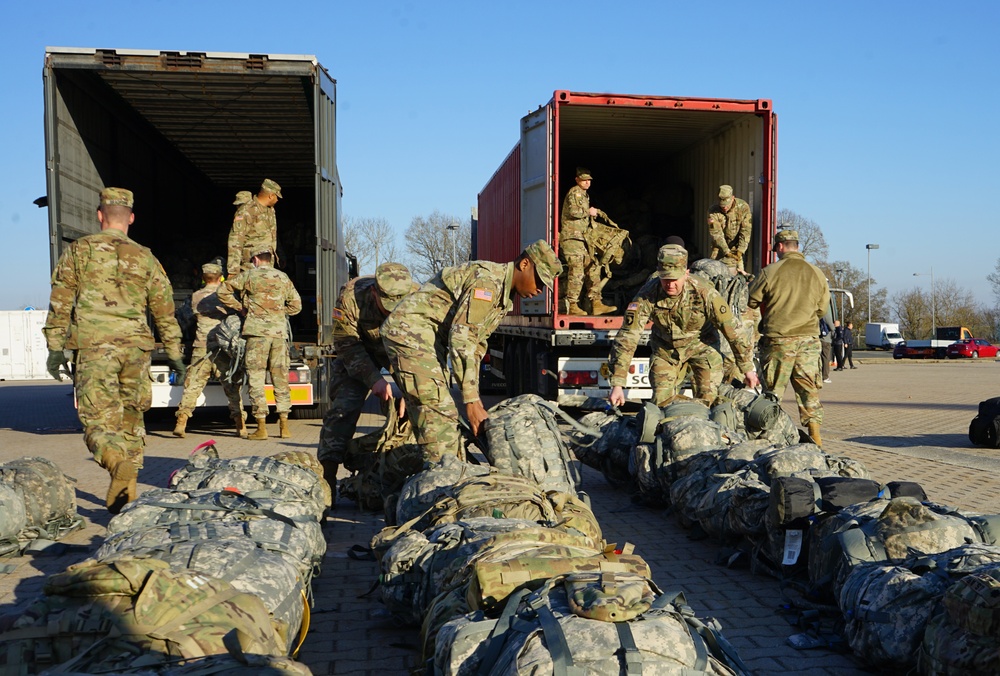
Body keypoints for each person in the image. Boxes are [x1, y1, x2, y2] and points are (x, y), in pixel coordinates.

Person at [42, 187, 185, 513]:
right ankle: (127, 496)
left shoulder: (80, 251)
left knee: (97, 422)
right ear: (131, 218)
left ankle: (115, 462)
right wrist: (175, 351)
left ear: (99, 215)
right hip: (135, 349)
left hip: (94, 347)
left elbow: (61, 300)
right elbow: (164, 309)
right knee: (132, 422)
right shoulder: (146, 256)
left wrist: (55, 347)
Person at [382, 240, 563, 463]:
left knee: (434, 415)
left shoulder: (503, 296)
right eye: (540, 281)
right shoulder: (488, 283)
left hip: (427, 340)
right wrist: (471, 401)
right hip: (410, 333)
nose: (539, 290)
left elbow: (476, 346)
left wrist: (474, 396)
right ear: (524, 264)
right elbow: (461, 339)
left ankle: (433, 470)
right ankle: (442, 481)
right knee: (441, 415)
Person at [608, 244, 760, 408]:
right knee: (661, 403)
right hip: (666, 350)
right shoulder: (647, 295)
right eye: (665, 279)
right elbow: (627, 338)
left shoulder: (704, 292)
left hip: (702, 346)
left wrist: (747, 369)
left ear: (686, 273)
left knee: (709, 402)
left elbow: (732, 330)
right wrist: (618, 385)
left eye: (675, 279)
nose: (670, 285)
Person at [316, 262, 419, 488]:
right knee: (343, 409)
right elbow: (346, 345)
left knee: (420, 405)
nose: (393, 310)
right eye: (388, 304)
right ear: (374, 291)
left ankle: (413, 472)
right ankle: (327, 479)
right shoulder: (350, 298)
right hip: (359, 350)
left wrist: (408, 391)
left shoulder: (418, 297)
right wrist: (375, 380)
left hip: (399, 352)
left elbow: (420, 350)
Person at [748, 229, 831, 447]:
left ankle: (768, 440)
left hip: (778, 341)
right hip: (809, 341)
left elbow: (752, 300)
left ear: (781, 247)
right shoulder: (817, 273)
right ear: (798, 246)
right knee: (809, 392)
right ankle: (817, 441)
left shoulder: (770, 272)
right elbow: (822, 309)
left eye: (776, 249)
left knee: (772, 393)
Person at [218, 248, 302, 440]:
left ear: (255, 259)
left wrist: (241, 308)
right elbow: (297, 305)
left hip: (256, 334)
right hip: (279, 334)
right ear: (270, 260)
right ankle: (284, 426)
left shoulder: (248, 275)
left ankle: (261, 427)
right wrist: (279, 314)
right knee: (280, 376)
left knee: (256, 378)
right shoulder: (283, 277)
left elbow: (222, 291)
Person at [173, 260, 247, 439]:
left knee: (192, 386)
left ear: (203, 277)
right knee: (231, 387)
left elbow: (186, 318)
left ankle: (181, 423)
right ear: (220, 276)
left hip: (201, 346)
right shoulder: (227, 296)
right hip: (223, 347)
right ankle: (240, 425)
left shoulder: (196, 296)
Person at [559, 167, 618, 316]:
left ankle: (596, 303)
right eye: (584, 180)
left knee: (593, 267)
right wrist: (589, 212)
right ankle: (572, 305)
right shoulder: (575, 192)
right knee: (577, 270)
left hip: (582, 239)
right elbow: (573, 212)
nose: (587, 182)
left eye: (588, 180)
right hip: (572, 239)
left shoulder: (584, 195)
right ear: (577, 179)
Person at [227, 179, 281, 276]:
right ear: (271, 195)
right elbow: (235, 241)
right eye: (277, 196)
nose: (277, 200)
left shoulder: (270, 211)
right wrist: (233, 271)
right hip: (251, 265)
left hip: (267, 265)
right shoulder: (247, 211)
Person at [706, 185, 753, 272]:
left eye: (726, 205)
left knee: (740, 272)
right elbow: (716, 234)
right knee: (713, 270)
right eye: (722, 206)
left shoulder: (743, 207)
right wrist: (726, 251)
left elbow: (745, 231)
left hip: (737, 245)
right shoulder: (713, 211)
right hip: (719, 246)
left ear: (732, 198)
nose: (724, 208)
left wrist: (740, 250)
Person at [819, 310, 834, 384]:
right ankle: (825, 376)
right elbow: (831, 326)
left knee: (818, 358)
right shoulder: (825, 313)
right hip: (826, 339)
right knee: (825, 358)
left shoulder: (814, 312)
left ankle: (817, 376)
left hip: (817, 338)